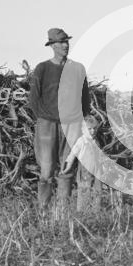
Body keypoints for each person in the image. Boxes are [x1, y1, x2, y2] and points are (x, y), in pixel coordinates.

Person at [28, 28, 90, 217]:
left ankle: (63, 214)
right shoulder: (43, 68)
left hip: (72, 125)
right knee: (46, 170)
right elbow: (33, 99)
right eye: (61, 42)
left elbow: (84, 98)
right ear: (52, 46)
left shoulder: (78, 69)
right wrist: (46, 117)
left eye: (66, 42)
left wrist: (81, 120)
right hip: (47, 125)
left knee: (67, 169)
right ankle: (44, 212)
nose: (65, 45)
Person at [62, 115, 102, 213]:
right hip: (84, 171)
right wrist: (68, 166)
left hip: (96, 170)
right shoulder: (81, 141)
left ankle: (95, 211)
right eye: (90, 129)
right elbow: (72, 154)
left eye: (94, 128)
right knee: (84, 190)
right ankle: (82, 212)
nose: (93, 131)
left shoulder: (96, 141)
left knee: (97, 190)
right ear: (83, 129)